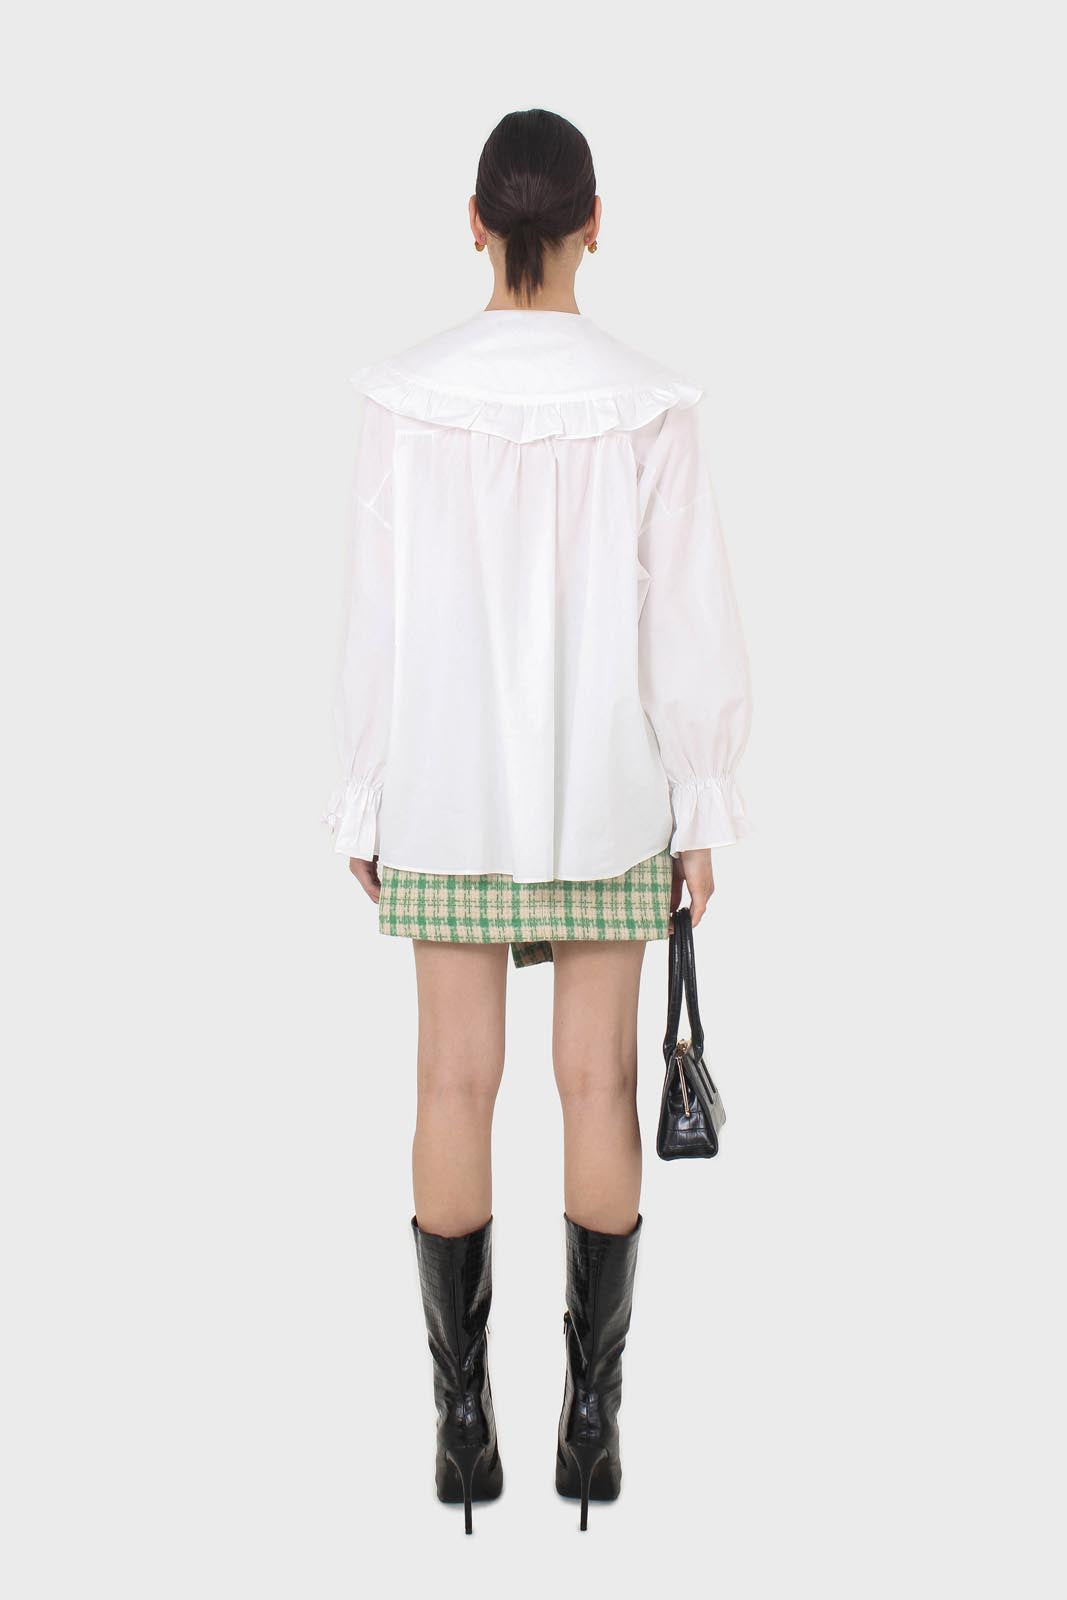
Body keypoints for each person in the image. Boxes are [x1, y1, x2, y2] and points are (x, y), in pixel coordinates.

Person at [324, 108, 752, 1533]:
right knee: (598, 1088)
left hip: (445, 788)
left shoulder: (406, 400)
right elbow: (687, 625)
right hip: (609, 793)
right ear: (593, 224)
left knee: (451, 1085)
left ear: (472, 223)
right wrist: (700, 801)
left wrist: (365, 788)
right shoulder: (649, 405)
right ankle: (593, 1428)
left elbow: (377, 621)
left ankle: (462, 1434)